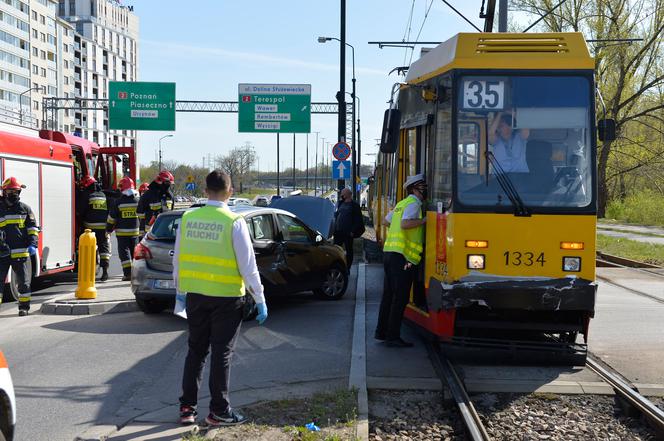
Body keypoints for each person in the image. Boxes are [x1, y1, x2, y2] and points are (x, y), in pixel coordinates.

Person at [173, 170, 268, 427]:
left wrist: (179, 290)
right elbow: (248, 265)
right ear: (230, 192)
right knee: (221, 354)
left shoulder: (188, 217)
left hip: (195, 295)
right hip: (226, 298)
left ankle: (187, 408)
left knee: (196, 351)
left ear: (205, 191)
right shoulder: (233, 221)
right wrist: (259, 297)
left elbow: (178, 257)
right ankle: (219, 411)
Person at [375, 174, 427, 348]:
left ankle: (381, 332)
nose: (424, 189)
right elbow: (405, 224)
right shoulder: (413, 204)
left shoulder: (400, 204)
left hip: (390, 253)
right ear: (414, 189)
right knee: (400, 297)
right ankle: (393, 337)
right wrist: (423, 221)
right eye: (422, 186)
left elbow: (386, 221)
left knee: (388, 295)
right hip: (403, 258)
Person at [0, 177, 38, 316]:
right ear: (4, 192)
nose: (13, 193)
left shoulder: (25, 209)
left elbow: (32, 228)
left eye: (16, 191)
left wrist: (33, 244)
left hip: (20, 253)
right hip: (2, 252)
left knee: (23, 283)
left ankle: (24, 307)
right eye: (10, 191)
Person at [78, 175, 111, 281]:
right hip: (103, 228)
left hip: (89, 228)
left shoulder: (87, 194)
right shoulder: (103, 195)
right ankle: (105, 272)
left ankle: (88, 273)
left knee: (89, 249)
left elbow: (81, 210)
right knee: (104, 249)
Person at [107, 177, 139, 281]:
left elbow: (112, 218)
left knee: (124, 254)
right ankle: (135, 274)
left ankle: (128, 274)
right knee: (135, 253)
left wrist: (108, 230)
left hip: (122, 234)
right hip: (135, 233)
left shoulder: (118, 202)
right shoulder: (138, 201)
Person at [333, 188, 364, 270]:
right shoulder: (340, 203)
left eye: (342, 194)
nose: (341, 195)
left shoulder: (354, 205)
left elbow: (358, 220)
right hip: (338, 232)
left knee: (349, 251)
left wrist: (352, 231)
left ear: (347, 194)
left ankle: (348, 268)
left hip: (348, 233)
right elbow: (335, 215)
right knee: (335, 250)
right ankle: (337, 267)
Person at [137, 170, 174, 238]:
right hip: (151, 232)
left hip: (166, 233)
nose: (169, 186)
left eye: (170, 184)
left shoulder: (170, 195)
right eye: (168, 183)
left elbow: (171, 212)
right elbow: (140, 213)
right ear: (161, 181)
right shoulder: (148, 195)